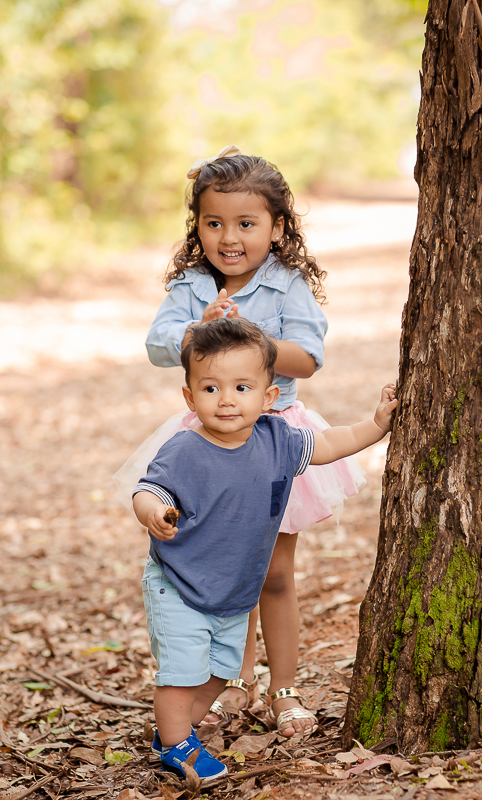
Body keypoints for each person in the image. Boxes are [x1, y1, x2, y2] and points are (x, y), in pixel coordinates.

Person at [113, 145, 363, 738]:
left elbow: (308, 358)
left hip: (272, 438)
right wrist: (200, 329)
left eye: (247, 224)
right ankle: (235, 681)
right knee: (224, 567)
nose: (230, 237)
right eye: (214, 223)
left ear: (277, 228)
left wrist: (248, 341)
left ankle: (284, 687)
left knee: (273, 571)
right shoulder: (192, 284)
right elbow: (158, 343)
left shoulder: (286, 285)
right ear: (197, 226)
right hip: (209, 441)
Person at [133, 317, 397, 782]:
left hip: (235, 589)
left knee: (216, 674)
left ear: (268, 397)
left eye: (241, 387)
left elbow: (330, 443)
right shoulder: (185, 449)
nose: (227, 399)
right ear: (190, 398)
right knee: (182, 673)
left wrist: (375, 427)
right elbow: (150, 489)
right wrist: (154, 511)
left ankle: (174, 729)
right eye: (211, 389)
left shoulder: (276, 440)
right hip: (179, 583)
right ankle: (177, 747)